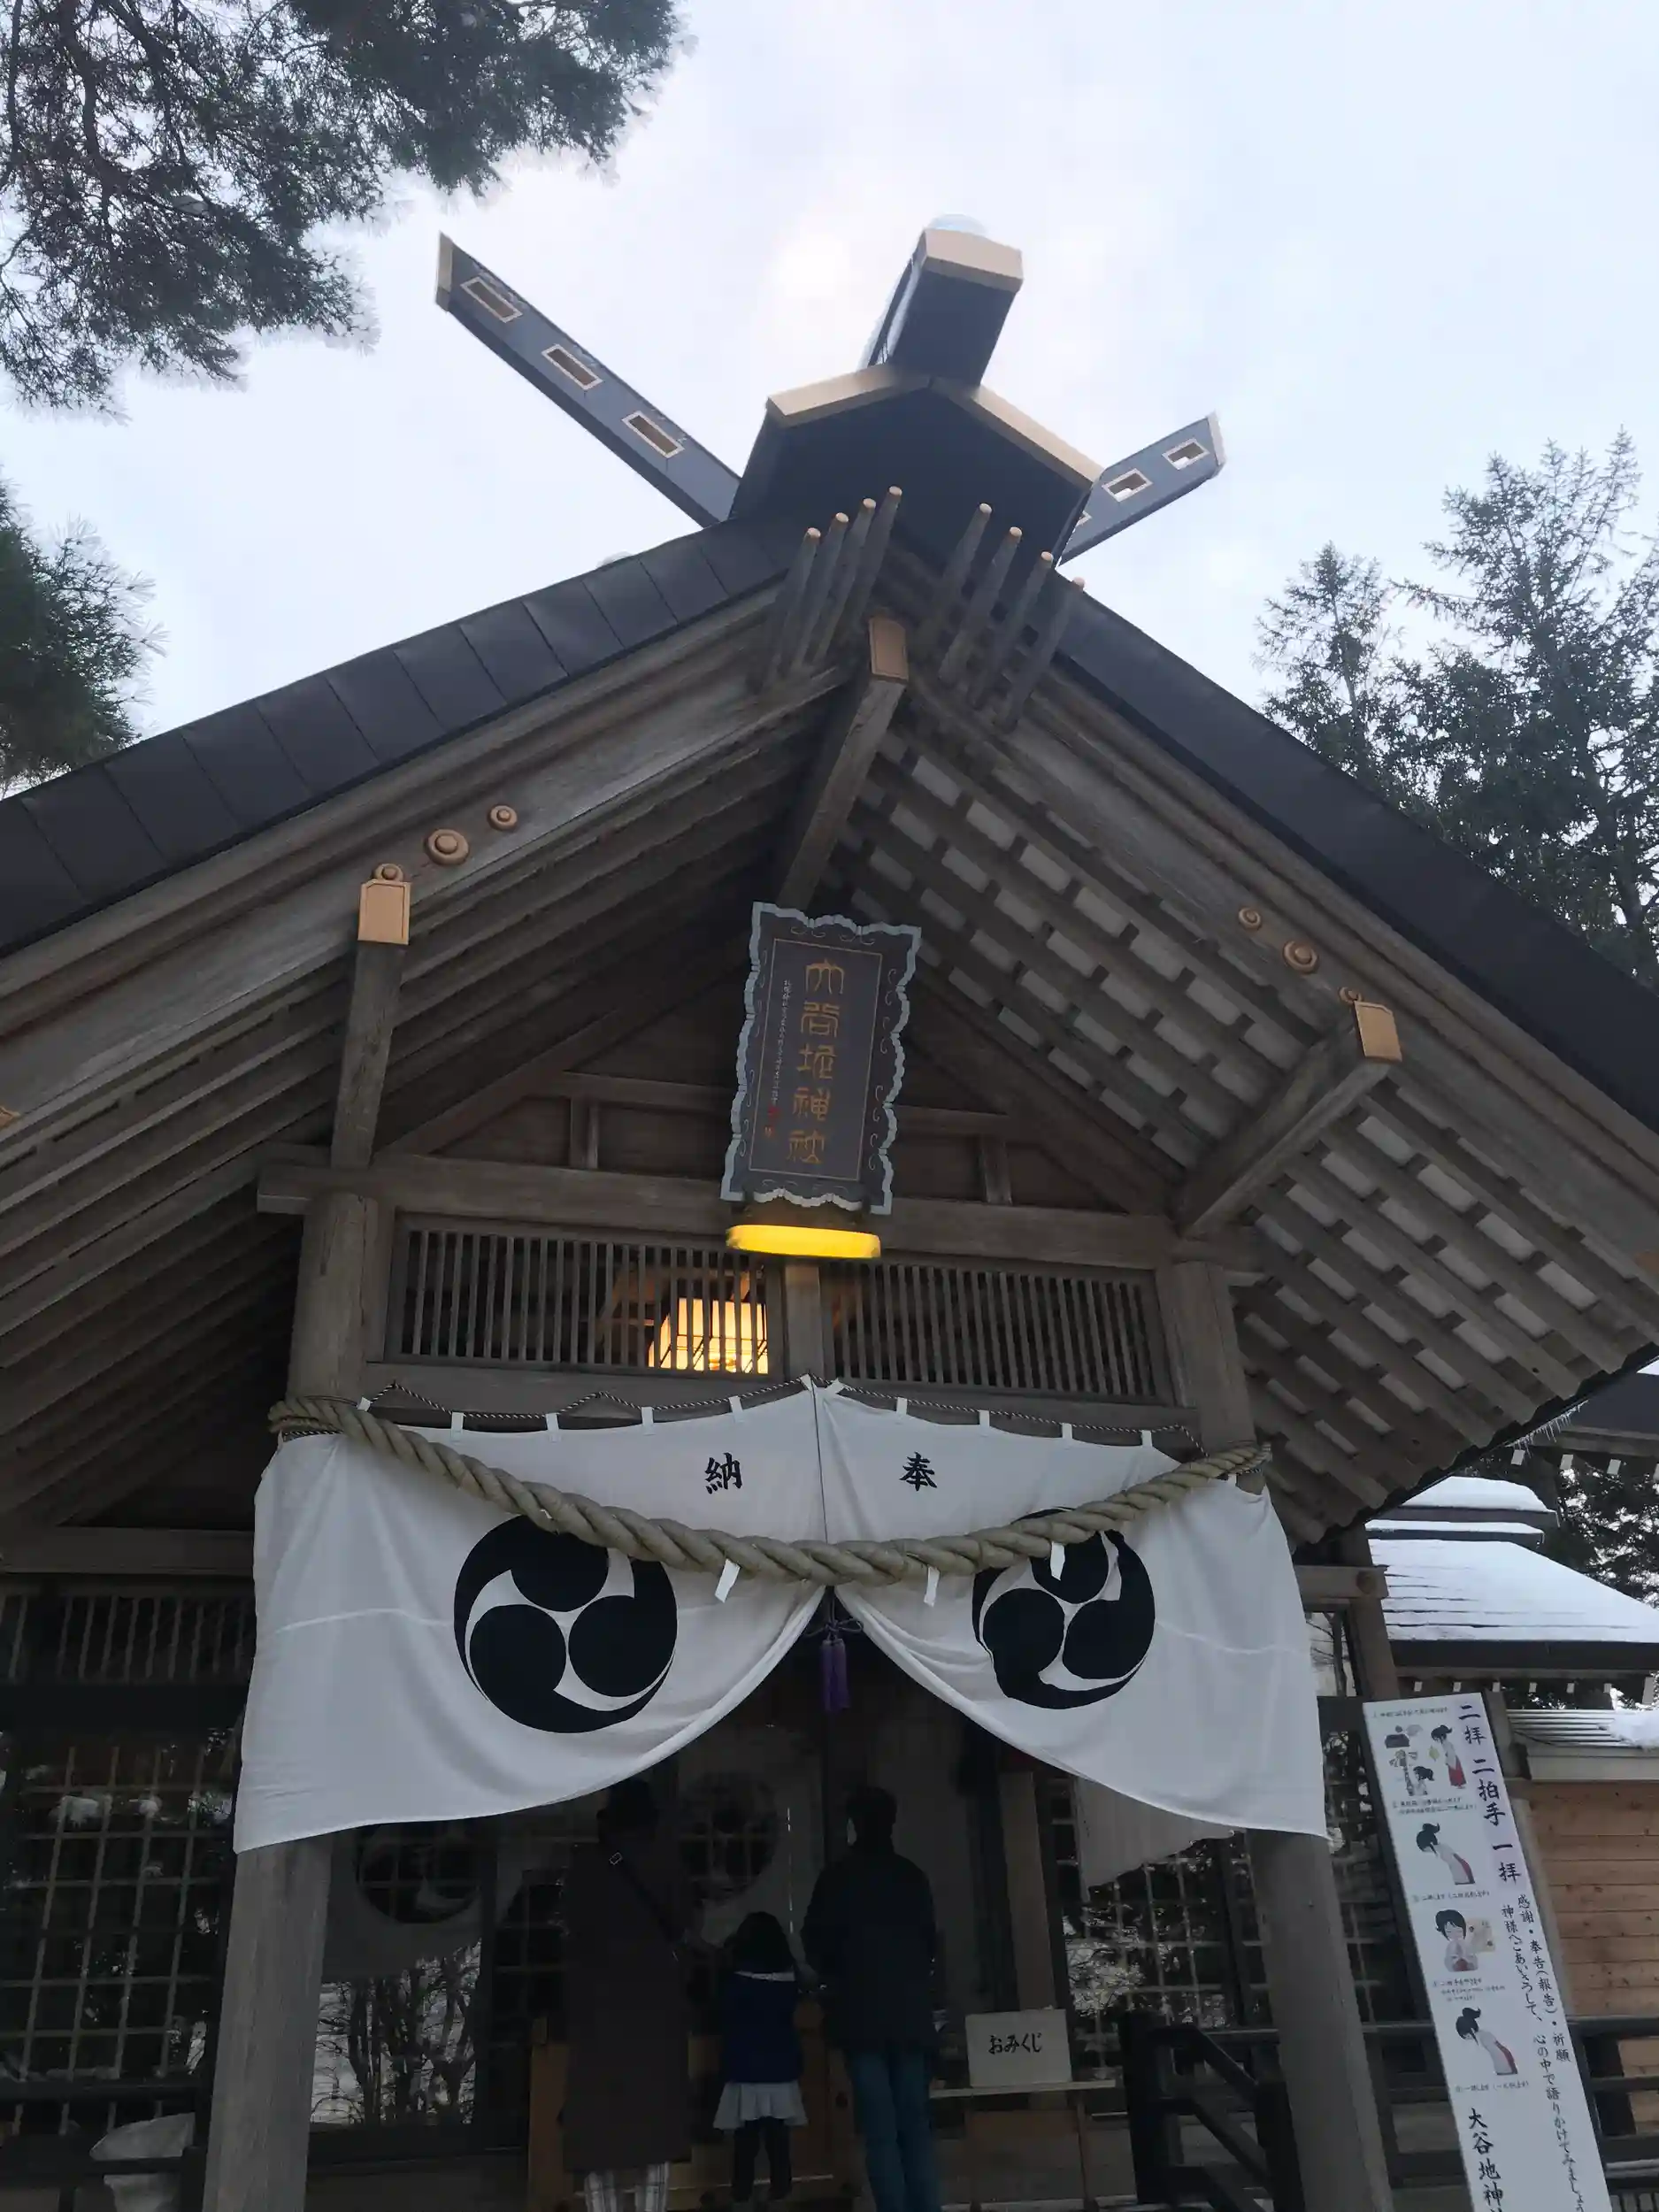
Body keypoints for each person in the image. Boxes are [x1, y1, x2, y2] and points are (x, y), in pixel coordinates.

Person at [803, 1786, 941, 2212]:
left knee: (880, 2130)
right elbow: (929, 1943)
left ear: (854, 1825)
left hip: (860, 2015)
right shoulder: (911, 1876)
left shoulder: (837, 1879)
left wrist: (837, 1977)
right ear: (891, 1822)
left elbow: (815, 1944)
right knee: (915, 2128)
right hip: (910, 2015)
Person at [561, 1777, 691, 2212]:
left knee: (598, 2133)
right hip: (655, 2008)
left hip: (598, 2008)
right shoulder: (667, 1863)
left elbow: (572, 1928)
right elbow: (683, 1922)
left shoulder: (586, 1865)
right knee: (655, 2129)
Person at [714, 1911, 806, 2205]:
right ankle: (780, 2190)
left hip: (746, 2069)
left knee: (746, 2141)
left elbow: (722, 2012)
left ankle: (741, 2195)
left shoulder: (737, 1981)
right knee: (778, 2139)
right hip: (780, 2069)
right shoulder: (789, 1979)